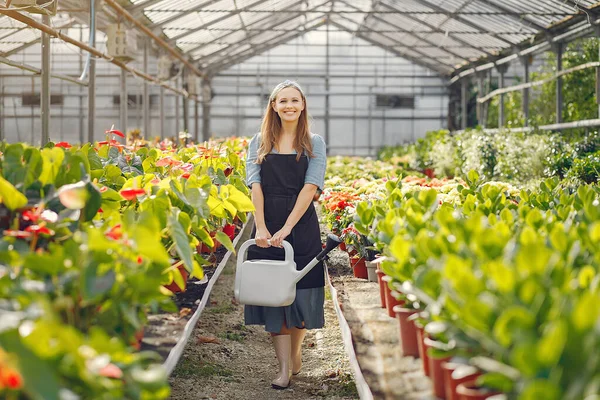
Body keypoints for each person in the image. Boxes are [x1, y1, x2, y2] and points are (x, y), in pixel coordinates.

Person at [244, 80, 327, 390]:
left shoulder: (314, 142)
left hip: (301, 223)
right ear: (274, 107)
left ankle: (294, 354)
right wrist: (262, 226)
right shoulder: (259, 142)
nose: (289, 105)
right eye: (283, 101)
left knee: (302, 291)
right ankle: (282, 369)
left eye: (295, 100)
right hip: (267, 220)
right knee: (273, 293)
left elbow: (311, 186)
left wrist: (289, 227)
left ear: (302, 105)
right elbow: (255, 186)